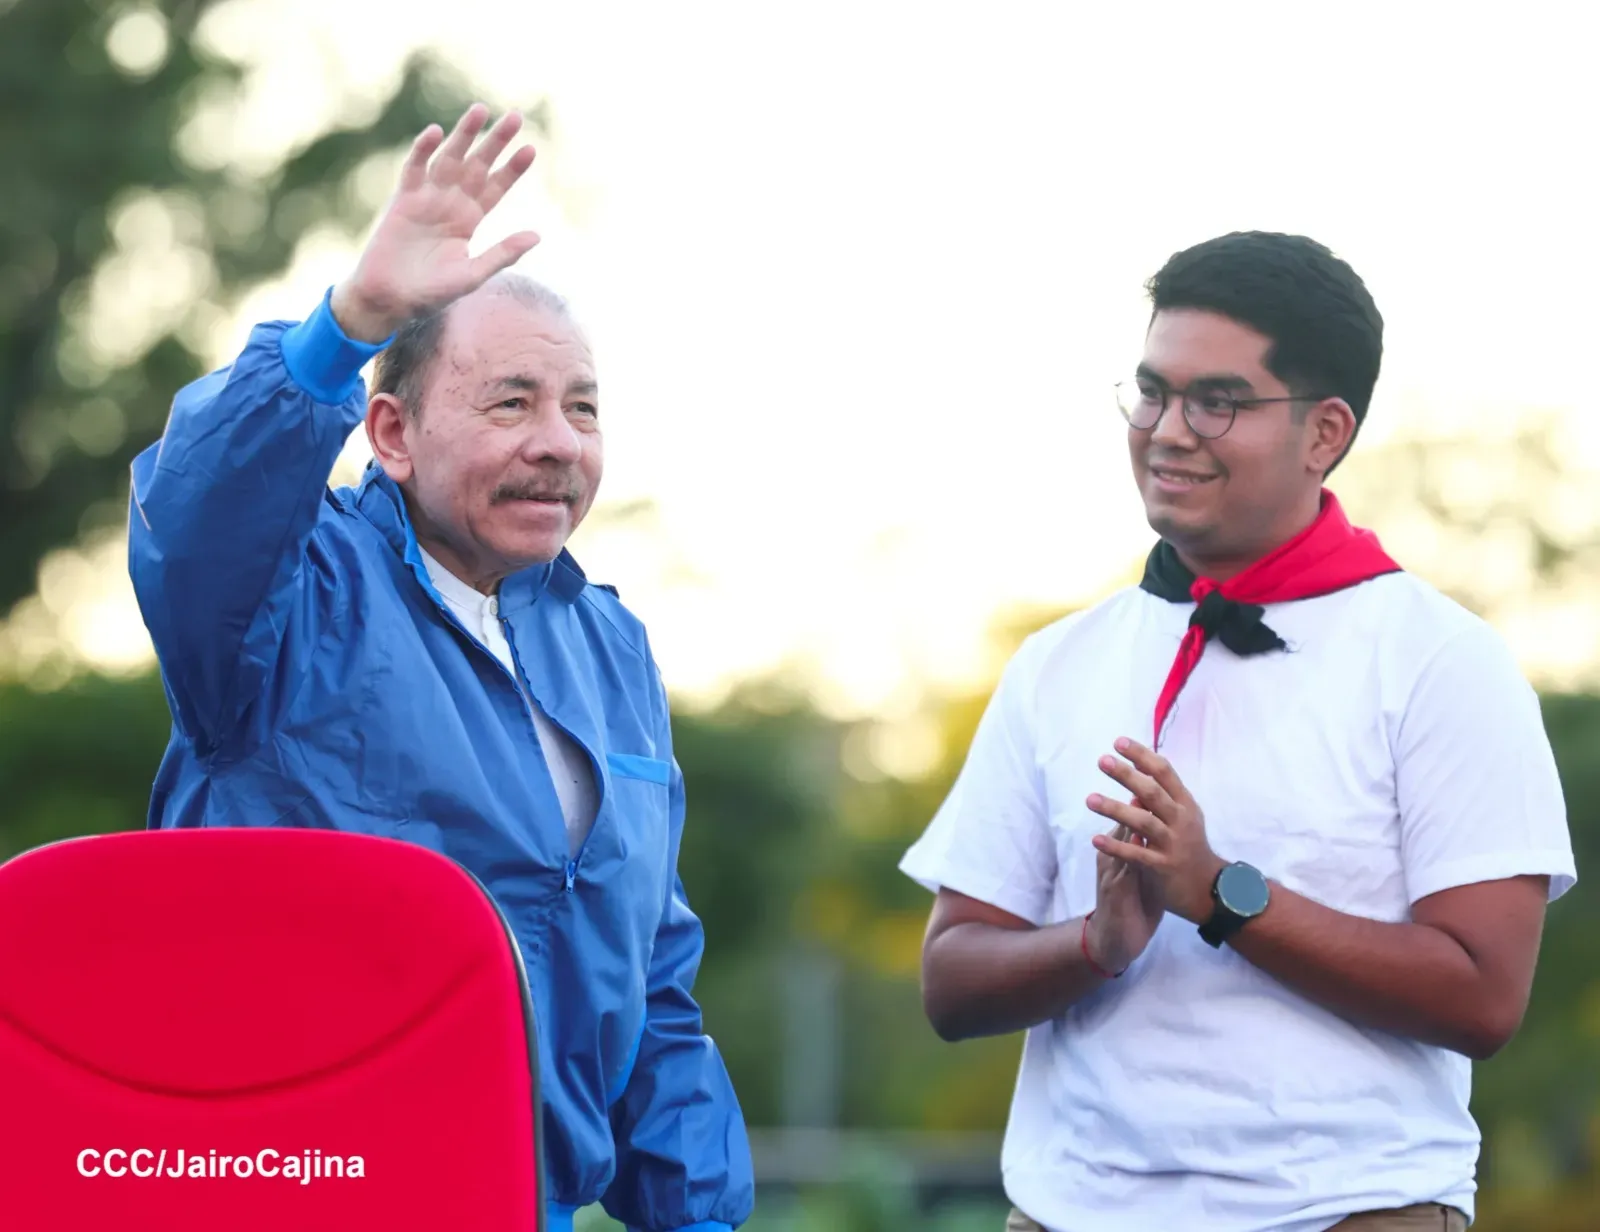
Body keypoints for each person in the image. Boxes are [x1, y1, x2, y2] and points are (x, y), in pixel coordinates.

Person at [128, 104, 753, 1232]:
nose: (558, 441)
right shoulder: (295, 595)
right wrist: (351, 318)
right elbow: (193, 514)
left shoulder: (610, 647)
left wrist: (697, 1213)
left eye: (582, 409)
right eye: (510, 401)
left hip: (521, 1204)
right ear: (393, 433)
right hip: (287, 1190)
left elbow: (651, 979)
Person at [900, 231, 1576, 1232]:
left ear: (1323, 431)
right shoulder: (1056, 662)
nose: (1167, 429)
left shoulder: (1440, 660)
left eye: (1217, 399)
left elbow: (1482, 997)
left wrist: (1218, 893)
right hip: (1066, 1212)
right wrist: (1096, 939)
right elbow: (952, 979)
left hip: (1345, 1212)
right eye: (1150, 391)